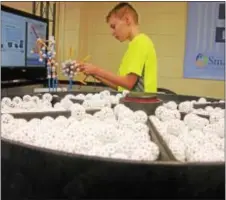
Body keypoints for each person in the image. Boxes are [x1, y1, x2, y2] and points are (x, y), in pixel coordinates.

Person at [77, 2, 158, 93]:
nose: (112, 32)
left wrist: (97, 70)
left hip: (142, 104)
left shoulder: (141, 42)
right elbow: (121, 87)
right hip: (134, 103)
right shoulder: (133, 45)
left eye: (113, 26)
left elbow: (129, 83)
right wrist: (94, 73)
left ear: (127, 20)